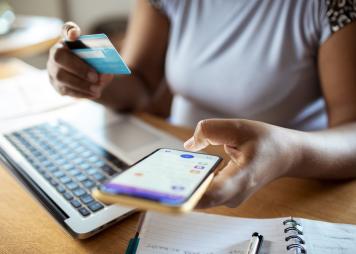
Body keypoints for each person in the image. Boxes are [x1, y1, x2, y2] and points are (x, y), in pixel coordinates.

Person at [47, 0, 356, 208]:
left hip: (288, 187)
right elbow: (139, 84)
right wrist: (90, 76)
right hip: (175, 166)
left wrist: (287, 152)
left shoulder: (332, 6)